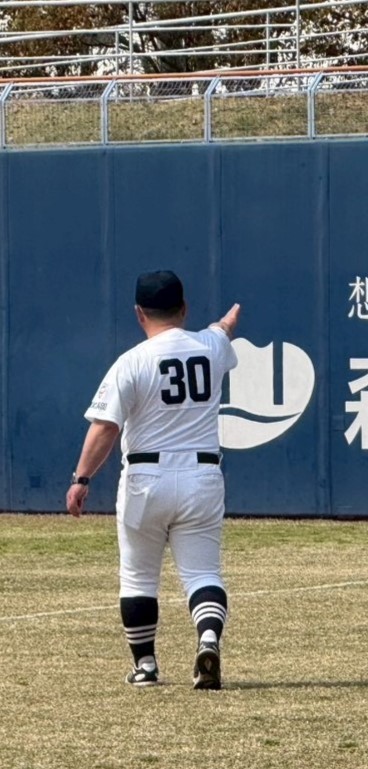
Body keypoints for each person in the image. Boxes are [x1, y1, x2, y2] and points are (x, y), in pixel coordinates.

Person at [65, 270, 240, 689]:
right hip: (201, 475)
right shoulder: (211, 347)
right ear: (184, 308)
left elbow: (105, 427)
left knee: (138, 576)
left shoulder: (132, 361)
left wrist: (81, 478)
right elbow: (220, 331)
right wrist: (226, 323)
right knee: (203, 575)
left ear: (139, 313)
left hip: (145, 477)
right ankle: (208, 638)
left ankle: (145, 666)